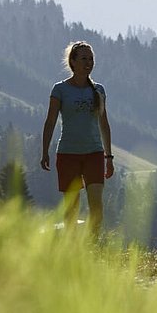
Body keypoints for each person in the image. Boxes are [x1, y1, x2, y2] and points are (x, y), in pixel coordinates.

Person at [41, 41, 113, 235]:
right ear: (72, 62)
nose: (88, 63)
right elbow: (50, 121)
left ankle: (93, 246)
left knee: (96, 206)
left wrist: (109, 157)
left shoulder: (99, 90)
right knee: (71, 208)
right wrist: (44, 151)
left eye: (91, 59)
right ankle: (72, 250)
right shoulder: (60, 89)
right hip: (68, 153)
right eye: (83, 59)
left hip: (94, 153)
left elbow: (104, 124)